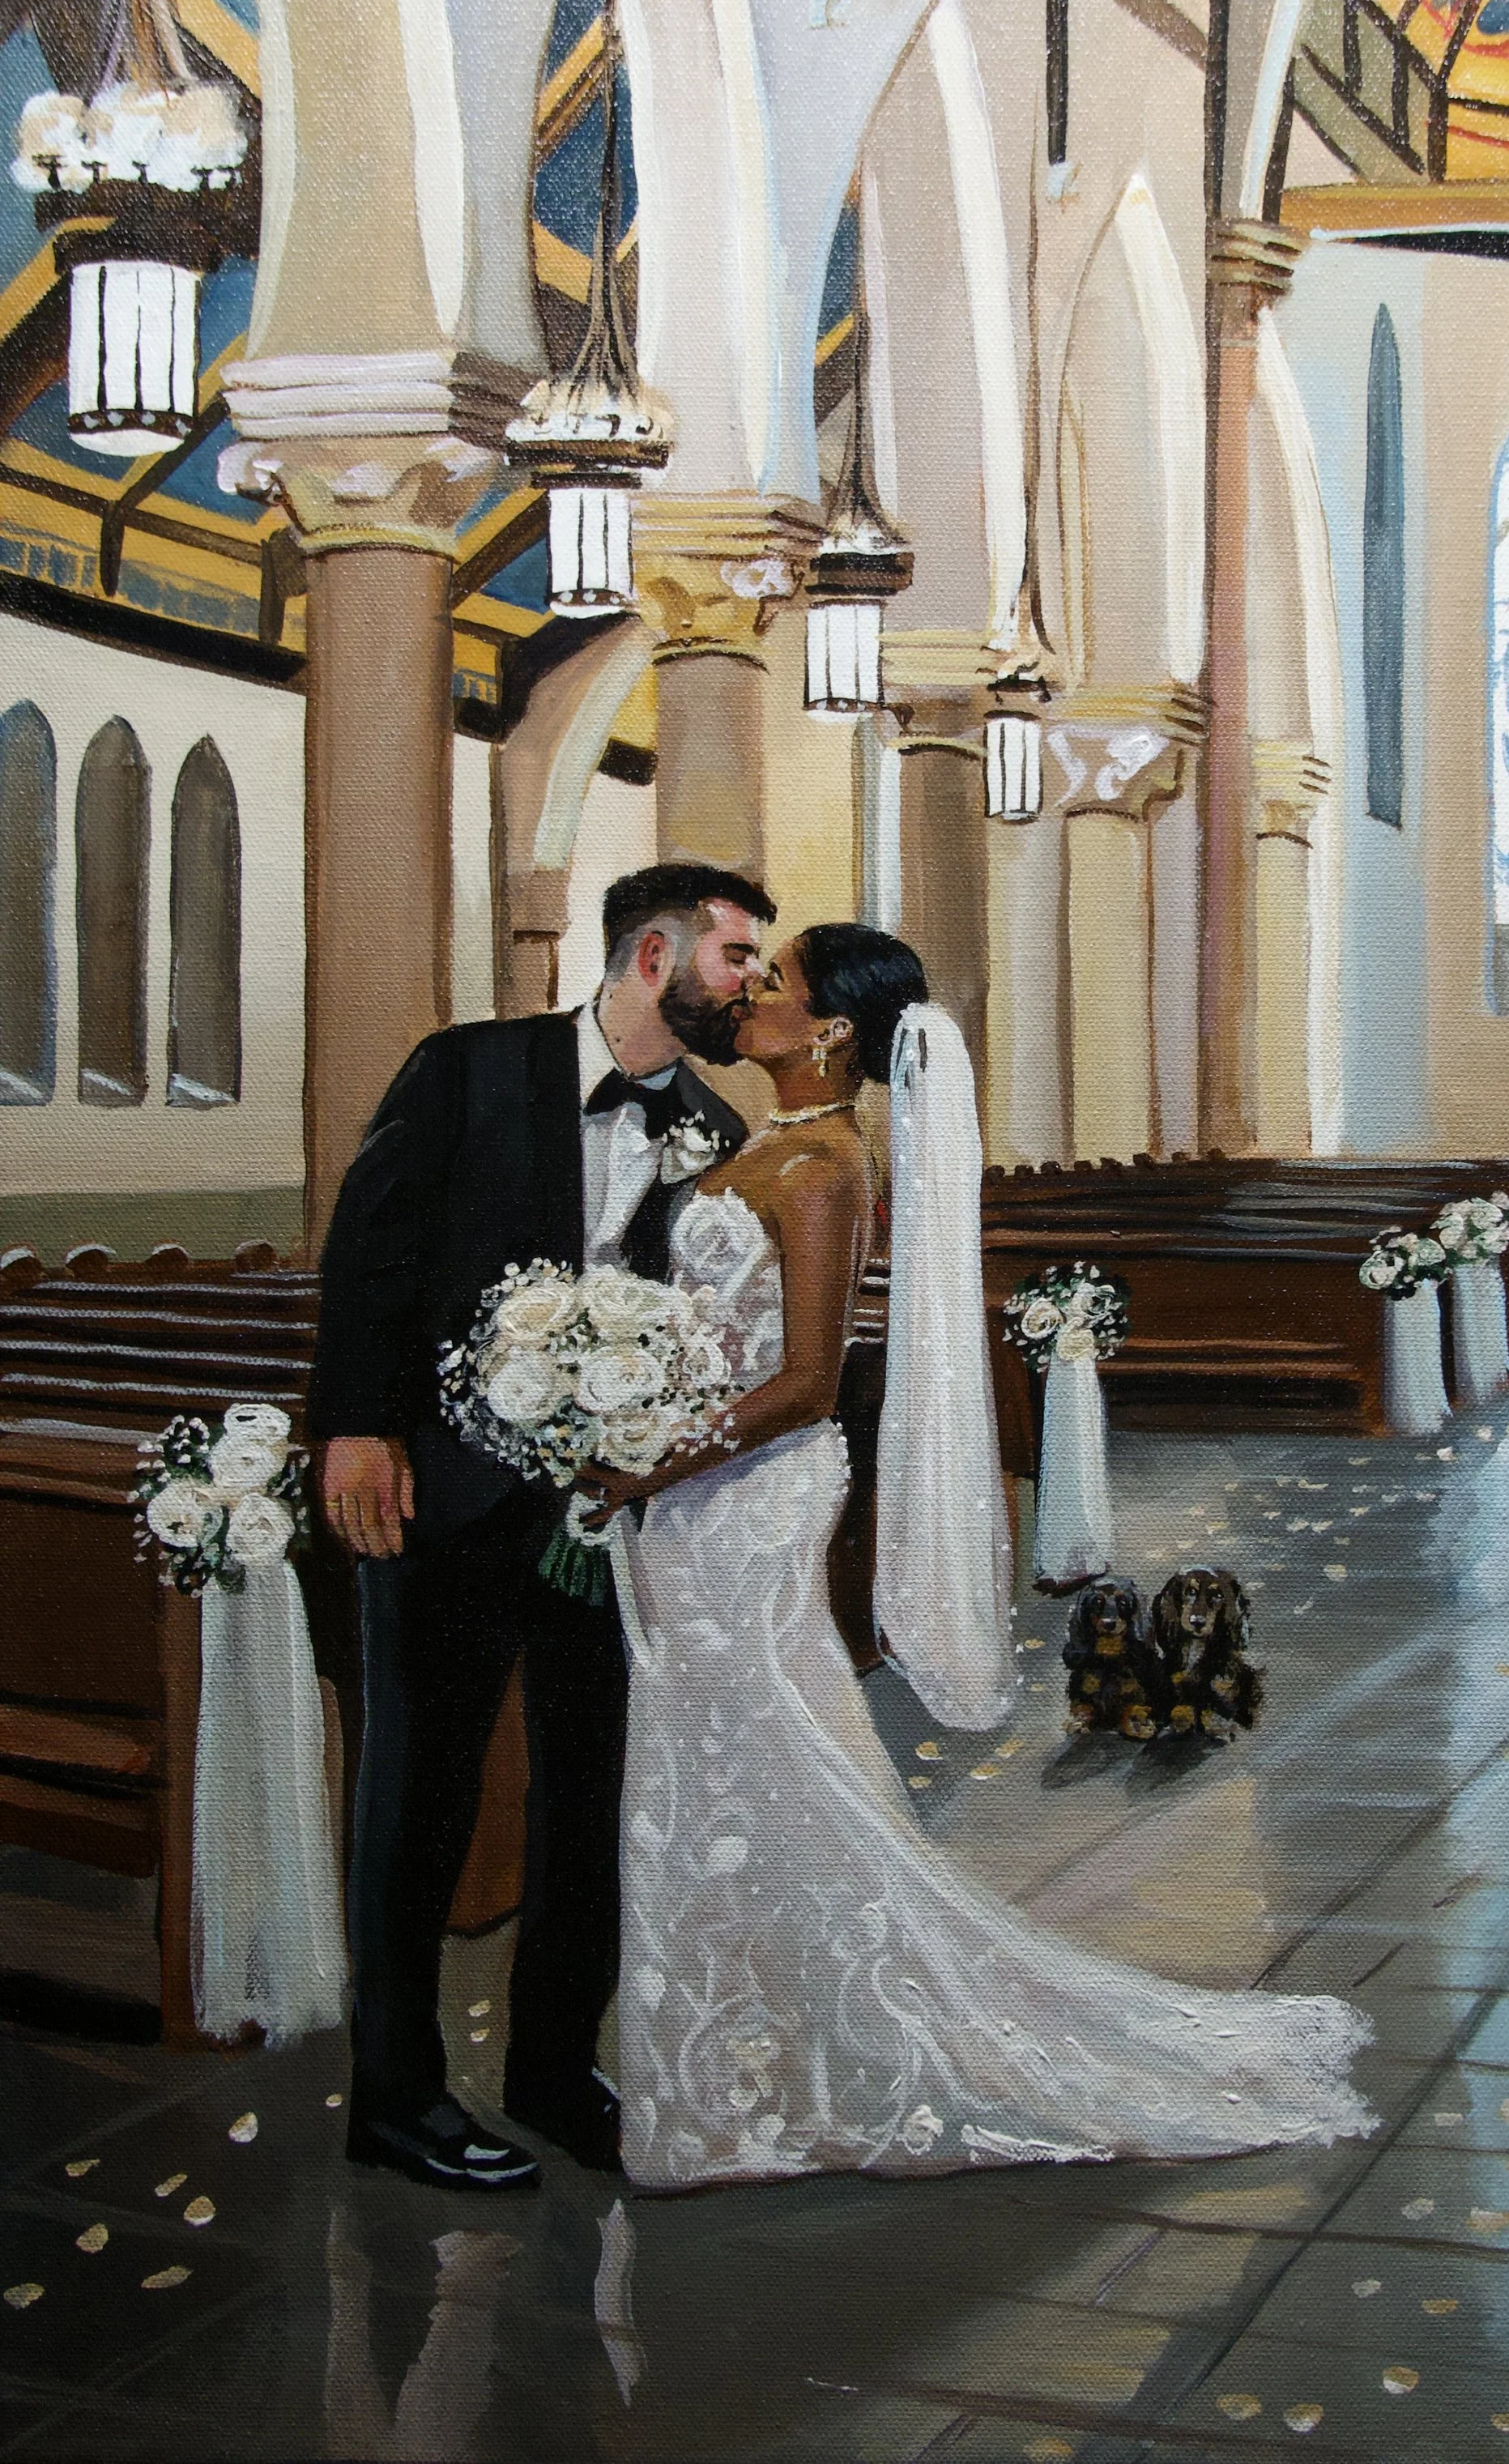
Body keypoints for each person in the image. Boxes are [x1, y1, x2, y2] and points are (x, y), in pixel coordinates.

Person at [585, 923, 1375, 2187]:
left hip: (747, 1495)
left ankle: (779, 2056)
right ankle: (750, 2044)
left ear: (832, 1029)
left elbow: (800, 1383)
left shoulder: (825, 1163)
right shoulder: (766, 1147)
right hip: (701, 1492)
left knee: (757, 1744)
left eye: (774, 982)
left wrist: (650, 1462)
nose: (750, 996)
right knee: (718, 1752)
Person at [309, 860, 774, 2191]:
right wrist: (356, 1424)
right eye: (736, 958)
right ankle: (394, 2094)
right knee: (418, 1791)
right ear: (652, 958)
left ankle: (553, 2069)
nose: (749, 985)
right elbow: (372, 1248)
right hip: (443, 1498)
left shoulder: (715, 1128)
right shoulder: (467, 1069)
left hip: (608, 1522)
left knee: (594, 1796)